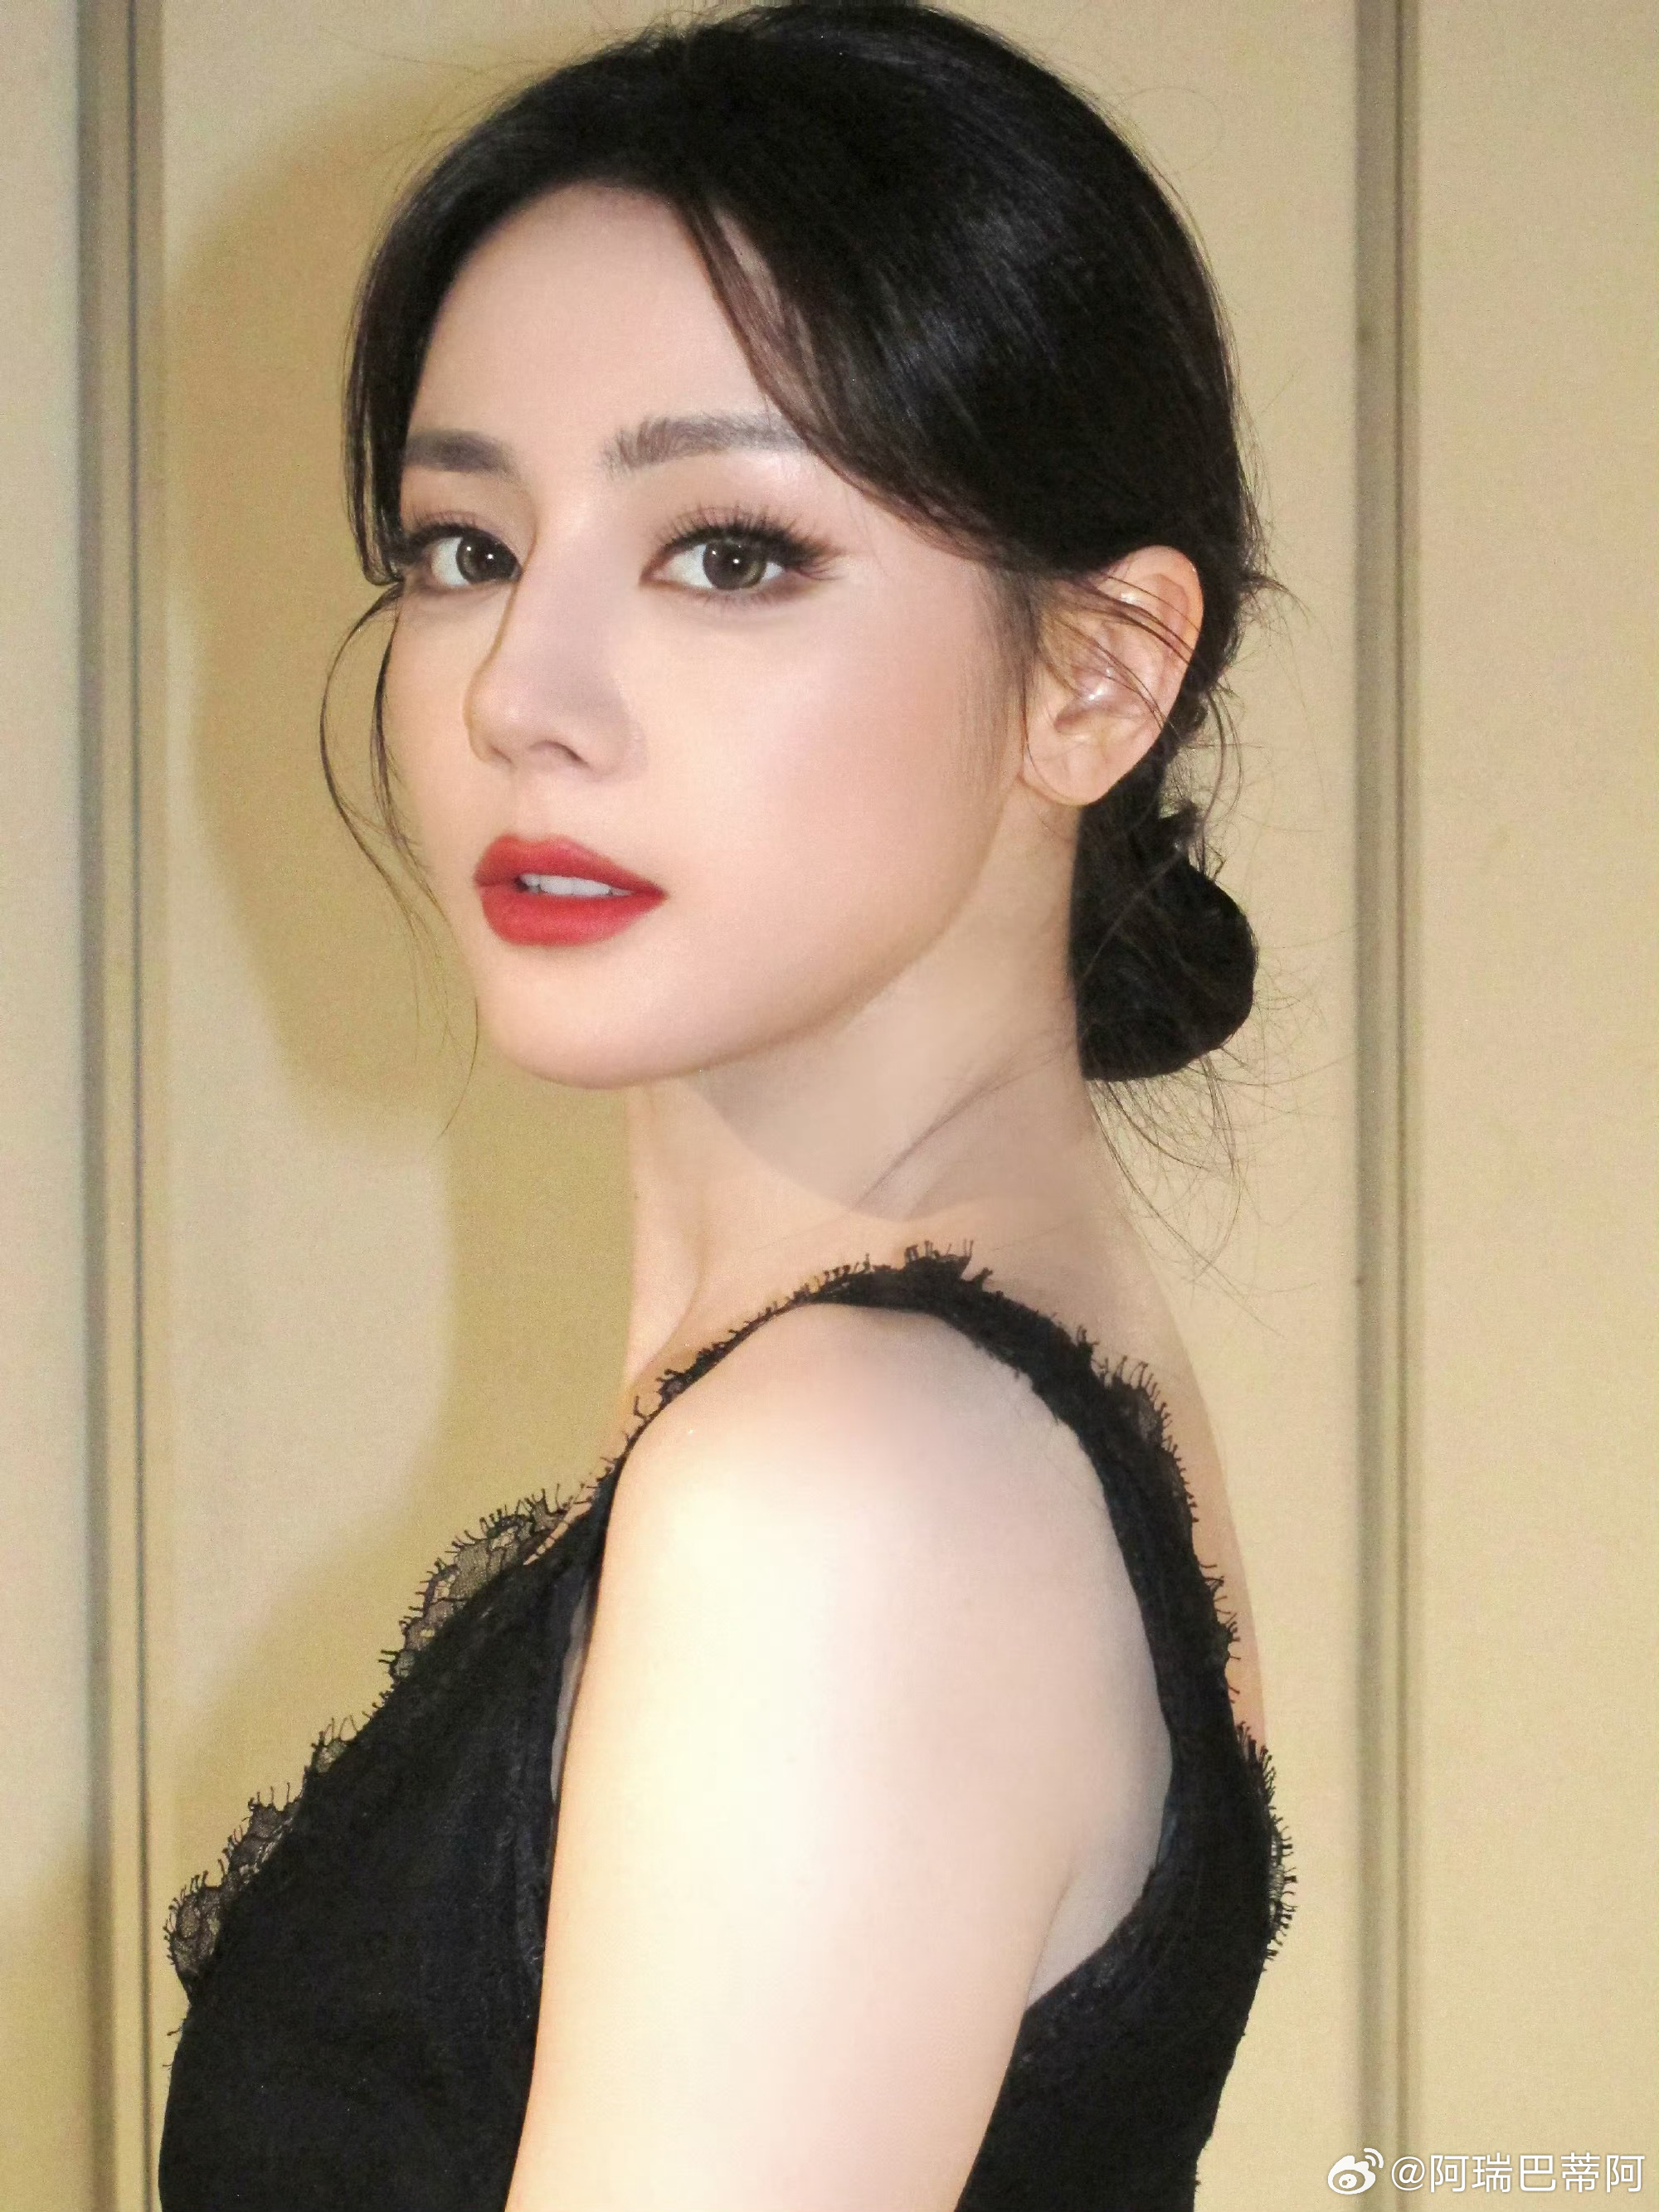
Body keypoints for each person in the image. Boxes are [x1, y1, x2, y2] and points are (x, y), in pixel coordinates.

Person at [158, 2, 1293, 2205]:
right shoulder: (924, 1424)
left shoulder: (841, 1496)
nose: (523, 694)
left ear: (1096, 675)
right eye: (466, 547)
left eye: (730, 553)